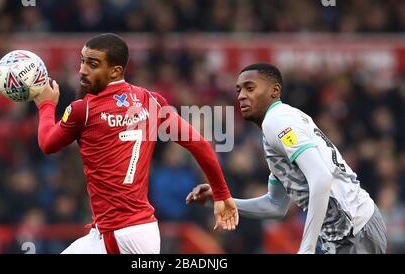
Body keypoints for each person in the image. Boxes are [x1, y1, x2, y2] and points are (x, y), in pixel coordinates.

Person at [33, 33, 238, 254]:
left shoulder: (83, 110)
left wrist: (46, 105)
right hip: (141, 232)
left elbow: (47, 144)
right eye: (82, 61)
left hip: (118, 233)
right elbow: (199, 144)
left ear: (116, 71)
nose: (83, 70)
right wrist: (222, 194)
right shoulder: (151, 101)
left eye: (93, 64)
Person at [186, 63, 387, 254]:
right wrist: (220, 201)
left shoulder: (278, 122)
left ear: (274, 91)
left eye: (250, 88)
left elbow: (321, 178)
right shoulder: (275, 129)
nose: (242, 96)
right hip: (352, 229)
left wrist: (306, 247)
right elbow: (276, 205)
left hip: (353, 230)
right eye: (239, 90)